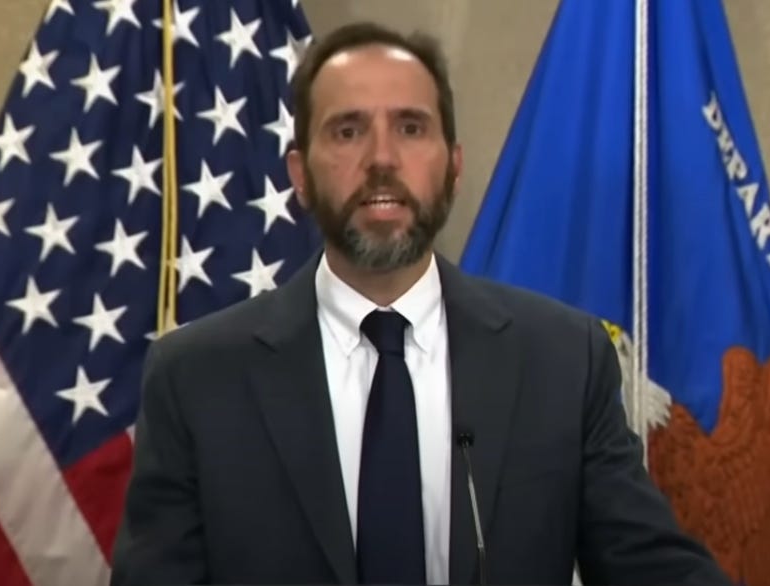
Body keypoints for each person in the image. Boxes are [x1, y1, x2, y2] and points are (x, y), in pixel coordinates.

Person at [110, 20, 733, 586]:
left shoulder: (564, 360)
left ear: (453, 167)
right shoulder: (197, 377)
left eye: (410, 128)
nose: (382, 159)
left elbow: (652, 567)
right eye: (348, 131)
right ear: (299, 174)